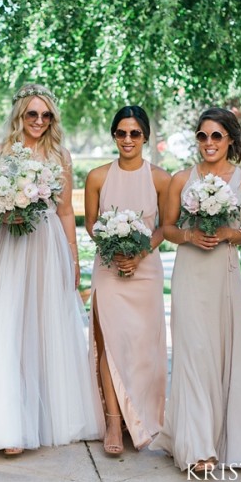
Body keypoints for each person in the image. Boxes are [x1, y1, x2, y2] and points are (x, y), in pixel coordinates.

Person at [0, 84, 104, 455]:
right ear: (20, 115)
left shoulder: (59, 155)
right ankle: (7, 425)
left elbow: (66, 210)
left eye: (46, 115)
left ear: (52, 119)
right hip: (9, 244)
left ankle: (45, 417)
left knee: (45, 326)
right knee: (6, 325)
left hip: (46, 245)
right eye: (32, 114)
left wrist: (74, 257)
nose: (38, 121)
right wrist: (6, 208)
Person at [149, 107, 241, 473]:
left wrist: (229, 233)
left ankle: (225, 439)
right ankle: (197, 446)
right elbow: (167, 228)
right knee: (193, 354)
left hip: (224, 275)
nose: (209, 143)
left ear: (230, 138)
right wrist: (190, 235)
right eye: (202, 136)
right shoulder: (180, 178)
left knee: (222, 354)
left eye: (216, 136)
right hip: (190, 272)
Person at [84, 106, 171, 456]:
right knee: (111, 344)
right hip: (108, 268)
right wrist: (112, 245)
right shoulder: (98, 177)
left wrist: (138, 252)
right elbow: (91, 224)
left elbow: (166, 226)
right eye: (121, 133)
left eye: (135, 133)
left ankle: (145, 416)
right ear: (114, 136)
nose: (128, 140)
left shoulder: (161, 179)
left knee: (143, 346)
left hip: (146, 270)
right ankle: (114, 423)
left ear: (145, 137)